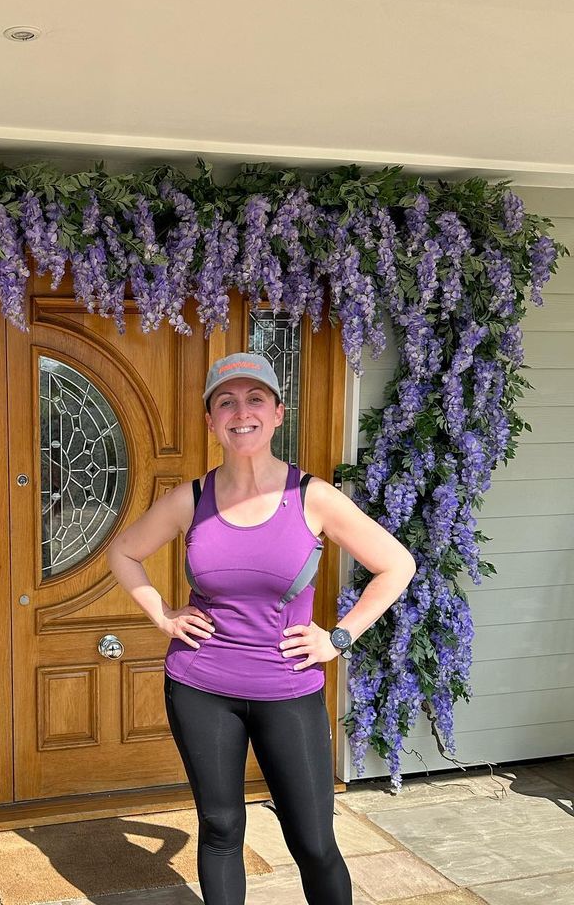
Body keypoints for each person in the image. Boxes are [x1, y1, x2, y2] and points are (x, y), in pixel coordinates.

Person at [107, 352, 416, 905]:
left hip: (289, 690)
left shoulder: (312, 497)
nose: (240, 412)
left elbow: (397, 565)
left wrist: (337, 638)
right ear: (210, 421)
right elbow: (124, 553)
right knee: (222, 831)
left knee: (315, 842)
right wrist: (164, 614)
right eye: (225, 401)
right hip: (201, 688)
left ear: (277, 414)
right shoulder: (192, 500)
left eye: (255, 400)